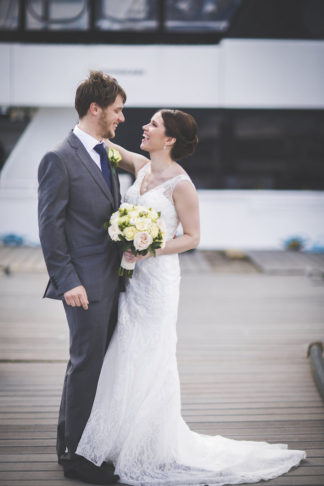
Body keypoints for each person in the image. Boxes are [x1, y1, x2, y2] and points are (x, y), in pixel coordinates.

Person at [76, 109, 306, 485]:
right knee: (125, 352)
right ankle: (116, 441)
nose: (144, 128)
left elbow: (193, 238)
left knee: (149, 355)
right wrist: (93, 123)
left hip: (157, 282)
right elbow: (106, 146)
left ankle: (146, 444)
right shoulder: (142, 167)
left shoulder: (181, 184)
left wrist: (148, 247)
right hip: (131, 282)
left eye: (153, 124)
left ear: (169, 140)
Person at [38, 71, 126, 484]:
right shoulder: (59, 157)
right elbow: (50, 227)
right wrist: (68, 280)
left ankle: (73, 446)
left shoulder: (104, 152)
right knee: (85, 364)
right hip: (84, 284)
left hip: (111, 279)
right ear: (96, 109)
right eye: (117, 110)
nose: (121, 118)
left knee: (91, 365)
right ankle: (75, 458)